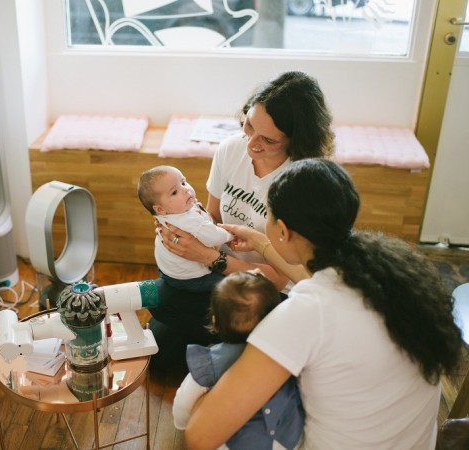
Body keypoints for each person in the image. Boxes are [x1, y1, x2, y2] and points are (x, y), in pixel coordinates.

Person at [183, 158, 463, 449]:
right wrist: (261, 243)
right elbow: (312, 275)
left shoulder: (305, 312)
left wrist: (204, 390)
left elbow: (200, 435)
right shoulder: (393, 276)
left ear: (283, 230)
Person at [148, 71, 335, 370]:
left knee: (168, 318)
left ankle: (241, 354)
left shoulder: (303, 182)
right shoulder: (231, 149)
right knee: (160, 349)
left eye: (268, 139)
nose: (251, 143)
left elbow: (279, 277)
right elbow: (213, 216)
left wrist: (210, 257)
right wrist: (182, 227)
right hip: (221, 276)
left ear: (296, 141)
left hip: (269, 291)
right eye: (249, 125)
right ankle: (234, 352)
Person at [173, 271, 304, 450]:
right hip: (287, 437)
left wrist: (182, 425)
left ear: (215, 321)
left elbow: (183, 402)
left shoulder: (211, 363)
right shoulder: (286, 355)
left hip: (239, 443)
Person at [137, 165, 233, 292]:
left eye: (183, 182)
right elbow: (214, 237)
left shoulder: (171, 213)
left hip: (168, 271)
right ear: (160, 209)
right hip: (190, 278)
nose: (185, 190)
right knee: (229, 286)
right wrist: (231, 235)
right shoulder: (187, 220)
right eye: (174, 192)